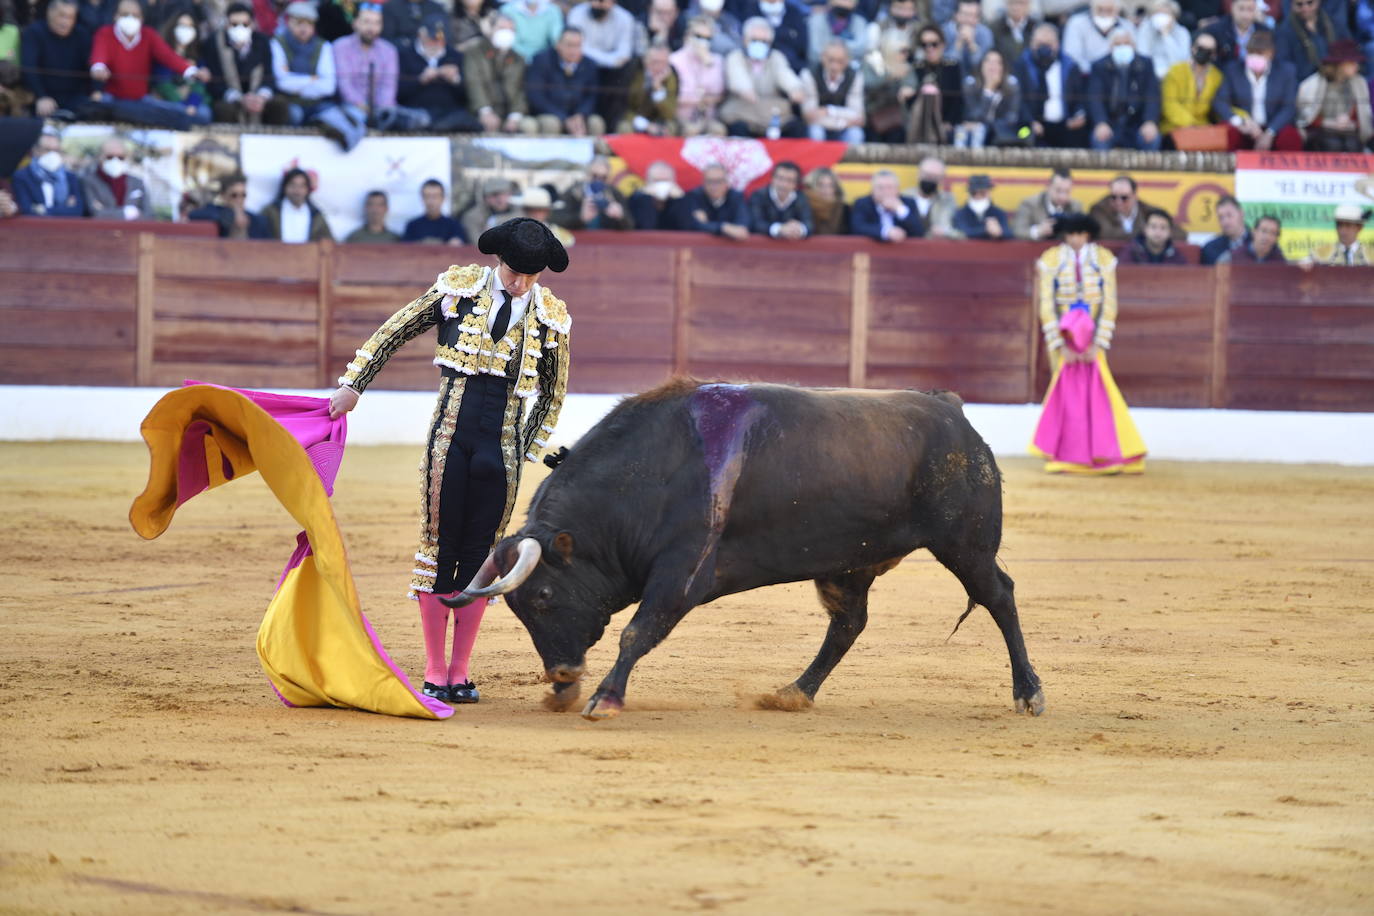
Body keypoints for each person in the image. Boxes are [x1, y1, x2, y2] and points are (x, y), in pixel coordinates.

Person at [327, 218, 573, 705]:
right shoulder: (456, 290)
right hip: (450, 438)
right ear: (497, 259)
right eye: (513, 272)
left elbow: (552, 393)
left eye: (530, 275)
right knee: (439, 549)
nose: (519, 283)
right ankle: (434, 669)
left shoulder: (551, 316)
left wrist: (527, 450)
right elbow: (395, 329)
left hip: (501, 452)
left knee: (482, 557)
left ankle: (460, 671)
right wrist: (355, 383)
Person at [1030, 211, 1147, 475]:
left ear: (1088, 235)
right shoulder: (1050, 260)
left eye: (1080, 234)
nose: (1075, 239)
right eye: (1071, 234)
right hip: (1064, 338)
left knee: (1100, 393)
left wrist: (1099, 343)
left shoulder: (1105, 260)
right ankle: (1063, 451)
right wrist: (1060, 345)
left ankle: (1101, 449)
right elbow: (1047, 304)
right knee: (1063, 393)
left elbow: (1109, 303)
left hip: (1092, 338)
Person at [89, 0, 210, 128]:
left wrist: (191, 71)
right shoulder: (105, 33)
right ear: (116, 16)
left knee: (200, 115)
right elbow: (99, 55)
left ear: (142, 18)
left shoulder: (148, 35)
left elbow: (168, 56)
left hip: (141, 100)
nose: (130, 19)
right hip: (112, 99)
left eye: (135, 15)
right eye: (125, 14)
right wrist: (98, 68)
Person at [269, 2, 365, 150]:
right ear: (289, 22)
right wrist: (312, 79)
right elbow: (282, 82)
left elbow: (328, 86)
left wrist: (298, 83)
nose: (304, 28)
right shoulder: (277, 43)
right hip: (289, 102)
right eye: (299, 23)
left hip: (317, 104)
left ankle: (329, 128)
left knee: (350, 117)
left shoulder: (323, 46)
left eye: (308, 24)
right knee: (294, 114)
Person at [334, 2, 430, 130]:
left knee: (421, 118)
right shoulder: (340, 46)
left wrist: (379, 109)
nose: (371, 28)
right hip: (351, 107)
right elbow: (345, 85)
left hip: (382, 109)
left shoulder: (389, 50)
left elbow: (388, 87)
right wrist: (363, 106)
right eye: (366, 22)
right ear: (355, 23)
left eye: (376, 23)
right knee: (351, 117)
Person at [1213, 29, 1303, 150]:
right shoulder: (1233, 70)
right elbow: (1220, 102)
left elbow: (1289, 107)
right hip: (1245, 127)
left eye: (1260, 53)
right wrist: (1240, 122)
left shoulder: (1286, 72)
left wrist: (1270, 132)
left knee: (1290, 137)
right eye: (1251, 52)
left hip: (1272, 127)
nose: (1254, 56)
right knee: (1226, 131)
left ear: (1271, 54)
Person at [718, 16, 804, 137]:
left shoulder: (776, 57)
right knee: (738, 129)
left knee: (796, 127)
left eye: (764, 42)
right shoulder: (735, 57)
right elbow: (737, 79)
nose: (759, 45)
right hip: (742, 113)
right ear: (744, 40)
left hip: (772, 115)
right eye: (754, 40)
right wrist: (745, 90)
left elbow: (784, 74)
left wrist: (795, 89)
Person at [205, 2, 290, 125]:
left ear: (252, 24)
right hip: (230, 97)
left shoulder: (262, 41)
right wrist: (240, 99)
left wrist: (261, 97)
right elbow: (214, 81)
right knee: (222, 109)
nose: (240, 28)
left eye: (245, 24)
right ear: (226, 24)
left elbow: (269, 76)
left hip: (258, 95)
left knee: (279, 104)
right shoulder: (214, 42)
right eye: (234, 24)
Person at [398, 14, 482, 132]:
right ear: (421, 33)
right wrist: (420, 80)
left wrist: (455, 80)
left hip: (450, 114)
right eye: (432, 38)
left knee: (466, 121)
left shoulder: (456, 57)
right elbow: (398, 93)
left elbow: (469, 96)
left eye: (440, 39)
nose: (436, 42)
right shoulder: (404, 55)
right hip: (415, 112)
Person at [1015, 21, 1090, 148]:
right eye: (1039, 44)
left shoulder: (1070, 66)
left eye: (1048, 44)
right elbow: (1016, 99)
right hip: (1032, 126)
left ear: (1057, 44)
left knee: (1081, 137)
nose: (1044, 48)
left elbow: (1081, 97)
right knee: (1021, 135)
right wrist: (1029, 121)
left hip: (1065, 126)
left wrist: (1079, 114)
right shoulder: (1021, 66)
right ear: (1031, 44)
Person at [1087, 29, 1162, 151]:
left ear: (1134, 46)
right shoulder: (1099, 66)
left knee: (1152, 139)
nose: (1122, 47)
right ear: (1110, 47)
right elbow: (1095, 98)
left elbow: (1152, 96)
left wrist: (1150, 121)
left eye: (1126, 43)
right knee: (1099, 139)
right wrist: (1100, 122)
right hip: (1110, 123)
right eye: (1117, 44)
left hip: (1137, 124)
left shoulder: (1146, 64)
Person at [567, 0, 636, 127]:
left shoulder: (625, 18)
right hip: (584, 65)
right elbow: (578, 47)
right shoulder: (577, 13)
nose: (597, 5)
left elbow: (624, 54)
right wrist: (609, 60)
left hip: (612, 72)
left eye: (602, 1)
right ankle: (580, 118)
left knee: (627, 69)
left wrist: (608, 60)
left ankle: (613, 125)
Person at [464, 13, 536, 133]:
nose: (507, 33)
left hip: (509, 113)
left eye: (511, 29)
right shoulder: (475, 52)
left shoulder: (518, 59)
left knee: (529, 126)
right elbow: (473, 84)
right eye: (502, 28)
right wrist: (485, 111)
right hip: (481, 111)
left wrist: (514, 117)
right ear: (491, 29)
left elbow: (521, 91)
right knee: (486, 126)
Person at [20, 0, 93, 119]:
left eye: (70, 17)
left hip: (76, 98)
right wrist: (41, 96)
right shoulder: (33, 32)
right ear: (50, 13)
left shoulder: (82, 34)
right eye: (62, 16)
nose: (66, 22)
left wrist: (95, 91)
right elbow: (29, 68)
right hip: (44, 97)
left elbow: (91, 65)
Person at [1295, 39, 1372, 151]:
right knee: (1332, 144)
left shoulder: (1359, 83)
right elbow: (1305, 116)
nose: (1356, 66)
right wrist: (1326, 122)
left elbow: (1362, 113)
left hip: (1349, 132)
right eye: (1351, 63)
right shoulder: (1312, 84)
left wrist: (1351, 122)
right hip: (1321, 132)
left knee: (1352, 145)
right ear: (1340, 65)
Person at [526, 27, 605, 134]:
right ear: (558, 45)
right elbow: (536, 96)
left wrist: (580, 114)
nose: (573, 50)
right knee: (551, 123)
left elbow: (592, 96)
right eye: (569, 45)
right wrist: (563, 118)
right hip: (550, 113)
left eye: (578, 46)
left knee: (596, 122)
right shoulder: (542, 60)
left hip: (578, 115)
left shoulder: (589, 65)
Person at [901, 25, 963, 143]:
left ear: (943, 45)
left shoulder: (952, 67)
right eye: (924, 45)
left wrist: (948, 122)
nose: (929, 48)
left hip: (945, 121)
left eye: (934, 44)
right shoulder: (916, 68)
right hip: (919, 121)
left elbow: (957, 99)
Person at [800, 38, 866, 142]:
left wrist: (829, 111)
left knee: (856, 134)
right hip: (821, 127)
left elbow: (858, 118)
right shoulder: (809, 74)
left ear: (847, 61)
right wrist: (843, 118)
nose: (834, 66)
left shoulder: (855, 76)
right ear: (823, 57)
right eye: (831, 60)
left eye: (840, 61)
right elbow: (809, 116)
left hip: (844, 128)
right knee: (815, 132)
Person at [670, 15, 726, 135]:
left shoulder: (716, 61)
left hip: (708, 117)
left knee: (719, 131)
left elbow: (719, 92)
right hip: (682, 116)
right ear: (688, 36)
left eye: (707, 38)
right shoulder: (675, 60)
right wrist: (700, 99)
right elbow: (676, 95)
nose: (703, 41)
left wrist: (707, 64)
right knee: (691, 130)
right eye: (698, 36)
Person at [1159, 28, 1221, 136]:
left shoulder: (1217, 76)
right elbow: (1169, 104)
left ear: (1214, 54)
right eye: (1201, 48)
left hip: (1203, 129)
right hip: (1174, 126)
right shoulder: (1176, 71)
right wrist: (1191, 124)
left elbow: (1221, 103)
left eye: (1209, 51)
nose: (1204, 53)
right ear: (1193, 48)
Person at [956, 47, 1022, 147]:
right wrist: (988, 89)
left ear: (1003, 67)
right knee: (961, 132)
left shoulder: (1011, 86)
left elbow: (1011, 118)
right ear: (981, 65)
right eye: (988, 61)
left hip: (1001, 135)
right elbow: (974, 114)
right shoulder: (970, 85)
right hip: (973, 132)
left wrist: (988, 126)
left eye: (997, 62)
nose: (992, 66)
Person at [12, 127, 85, 216]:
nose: (52, 155)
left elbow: (77, 211)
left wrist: (42, 209)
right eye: (47, 150)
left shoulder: (70, 177)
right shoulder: (22, 176)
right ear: (35, 151)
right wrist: (64, 209)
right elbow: (27, 210)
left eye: (56, 150)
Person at [1089, 174, 1184, 241]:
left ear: (1135, 196)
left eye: (1124, 198)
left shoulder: (1149, 211)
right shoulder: (1099, 209)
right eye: (1113, 197)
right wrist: (1149, 235)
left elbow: (1180, 234)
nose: (1118, 202)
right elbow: (1106, 234)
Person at [550, 154, 633, 230]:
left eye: (603, 177)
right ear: (587, 174)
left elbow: (630, 225)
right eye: (594, 176)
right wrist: (580, 218)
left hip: (607, 242)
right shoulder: (573, 193)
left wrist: (620, 217)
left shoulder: (615, 194)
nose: (598, 180)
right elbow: (555, 219)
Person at [80, 133, 150, 220]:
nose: (115, 161)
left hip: (133, 232)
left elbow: (149, 215)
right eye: (110, 157)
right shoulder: (88, 181)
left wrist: (107, 212)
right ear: (100, 157)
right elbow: (95, 213)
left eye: (120, 157)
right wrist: (126, 213)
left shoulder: (137, 182)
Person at [1277, 0, 1350, 82]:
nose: (1305, 8)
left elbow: (1349, 50)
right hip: (1305, 82)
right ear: (1292, 5)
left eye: (1310, 2)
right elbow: (1285, 63)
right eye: (1299, 4)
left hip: (1337, 77)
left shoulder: (1334, 24)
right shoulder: (1284, 32)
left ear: (1318, 2)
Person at [619, 42, 679, 134]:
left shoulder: (671, 76)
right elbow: (623, 107)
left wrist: (658, 90)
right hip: (633, 118)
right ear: (645, 61)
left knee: (671, 128)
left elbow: (669, 114)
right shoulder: (633, 72)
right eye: (655, 62)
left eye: (664, 63)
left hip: (658, 122)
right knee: (624, 127)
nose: (659, 67)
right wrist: (645, 125)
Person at [260, 167, 333, 243]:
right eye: (293, 185)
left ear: (307, 189)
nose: (297, 190)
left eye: (302, 186)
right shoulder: (271, 211)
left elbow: (329, 242)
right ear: (285, 187)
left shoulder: (316, 215)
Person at [188, 172, 270, 238]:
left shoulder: (257, 221)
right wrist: (230, 217)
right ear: (223, 196)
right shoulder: (215, 212)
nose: (239, 200)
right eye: (234, 195)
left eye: (243, 195)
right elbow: (194, 215)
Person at [682, 159, 749, 239]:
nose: (714, 187)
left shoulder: (736, 197)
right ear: (703, 183)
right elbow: (693, 225)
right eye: (709, 181)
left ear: (727, 183)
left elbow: (742, 228)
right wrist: (724, 227)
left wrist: (708, 225)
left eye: (718, 181)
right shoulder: (694, 196)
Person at [851, 168, 923, 242]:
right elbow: (858, 227)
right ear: (872, 190)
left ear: (897, 190)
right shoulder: (862, 203)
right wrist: (886, 232)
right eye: (880, 188)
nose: (885, 192)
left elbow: (918, 232)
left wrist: (900, 209)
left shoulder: (909, 203)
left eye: (889, 187)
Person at [1011, 167, 1082, 240]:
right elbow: (1017, 231)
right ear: (1048, 187)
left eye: (1067, 192)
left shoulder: (1075, 206)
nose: (1062, 197)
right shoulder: (1030, 204)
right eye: (1058, 190)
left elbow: (1083, 233)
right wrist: (1038, 231)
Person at [1062, 0, 1132, 74]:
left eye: (1109, 10)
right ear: (1092, 8)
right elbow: (1072, 55)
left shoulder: (1127, 26)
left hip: (1118, 76)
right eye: (1100, 9)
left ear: (1117, 10)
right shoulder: (1076, 23)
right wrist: (1096, 72)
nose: (1104, 14)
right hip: (1085, 76)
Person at [749, 160, 813, 239]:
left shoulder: (801, 198)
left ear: (796, 184)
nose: (784, 184)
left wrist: (799, 229)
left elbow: (809, 224)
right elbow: (755, 223)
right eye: (780, 178)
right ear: (772, 179)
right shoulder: (759, 196)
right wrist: (779, 229)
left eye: (789, 180)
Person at [905, 155, 963, 239]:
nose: (930, 180)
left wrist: (945, 232)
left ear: (941, 179)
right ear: (919, 174)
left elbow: (958, 231)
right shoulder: (904, 197)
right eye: (927, 175)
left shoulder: (947, 201)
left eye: (935, 177)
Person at [747, 0, 808, 73]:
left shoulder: (794, 12)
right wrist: (787, 34)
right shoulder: (750, 9)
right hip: (758, 67)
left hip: (794, 67)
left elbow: (802, 45)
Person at [1135, 0, 1189, 80]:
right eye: (1159, 13)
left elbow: (1180, 61)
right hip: (1150, 75)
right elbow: (1143, 54)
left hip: (1173, 75)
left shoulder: (1182, 32)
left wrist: (1166, 35)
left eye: (1166, 14)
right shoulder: (1145, 29)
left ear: (1174, 16)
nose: (1162, 17)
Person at [627, 159, 687, 230]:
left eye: (665, 181)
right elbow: (646, 227)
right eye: (657, 181)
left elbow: (685, 227)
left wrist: (681, 199)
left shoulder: (682, 200)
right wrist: (646, 198)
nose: (662, 185)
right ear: (648, 182)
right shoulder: (636, 199)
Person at [1204, 0, 1269, 65]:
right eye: (1241, 9)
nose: (1245, 15)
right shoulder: (1217, 30)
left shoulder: (1265, 32)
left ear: (1255, 10)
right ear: (1232, 8)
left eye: (1250, 9)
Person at [807, 0, 869, 68]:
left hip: (849, 68)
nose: (844, 3)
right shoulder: (817, 19)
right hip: (819, 68)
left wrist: (837, 50)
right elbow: (814, 50)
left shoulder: (859, 21)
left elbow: (860, 48)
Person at [405, 178, 467, 244]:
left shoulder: (454, 226)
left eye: (435, 197)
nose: (431, 201)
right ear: (422, 199)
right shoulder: (412, 226)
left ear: (443, 199)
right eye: (427, 196)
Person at [462, 175, 522, 240]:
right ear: (485, 197)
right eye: (495, 195)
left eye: (504, 194)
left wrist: (497, 221)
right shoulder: (473, 216)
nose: (500, 199)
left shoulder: (520, 213)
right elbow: (477, 243)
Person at [953, 172, 1010, 239]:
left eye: (982, 193)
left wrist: (1000, 231)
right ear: (969, 193)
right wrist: (986, 230)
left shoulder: (998, 213)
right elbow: (961, 231)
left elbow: (1009, 232)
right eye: (974, 193)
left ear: (989, 193)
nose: (978, 196)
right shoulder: (961, 213)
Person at [942, 0, 994, 74]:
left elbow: (985, 67)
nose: (969, 20)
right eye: (965, 14)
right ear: (956, 15)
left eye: (973, 16)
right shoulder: (944, 32)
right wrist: (957, 46)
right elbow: (945, 65)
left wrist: (972, 45)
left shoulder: (985, 34)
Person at [1123, 208, 1188, 262]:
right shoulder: (1132, 251)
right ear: (1145, 229)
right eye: (1153, 227)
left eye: (1163, 228)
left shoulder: (1176, 256)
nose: (1158, 232)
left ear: (1170, 232)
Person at [1200, 194, 1249, 264]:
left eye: (1229, 215)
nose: (1225, 222)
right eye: (1221, 217)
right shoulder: (1210, 249)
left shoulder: (1258, 244)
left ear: (1241, 213)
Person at [991, 0, 1039, 68]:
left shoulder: (1036, 28)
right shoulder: (994, 28)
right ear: (1006, 4)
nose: (1016, 7)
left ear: (1028, 5)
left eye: (1021, 3)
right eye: (1012, 3)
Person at [803, 166, 849, 235]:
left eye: (830, 185)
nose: (826, 190)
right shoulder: (802, 207)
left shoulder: (845, 210)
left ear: (836, 188)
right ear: (811, 187)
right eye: (820, 185)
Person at [382, 0, 447, 45]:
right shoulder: (391, 7)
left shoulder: (436, 8)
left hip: (432, 52)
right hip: (401, 55)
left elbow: (445, 36)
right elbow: (387, 40)